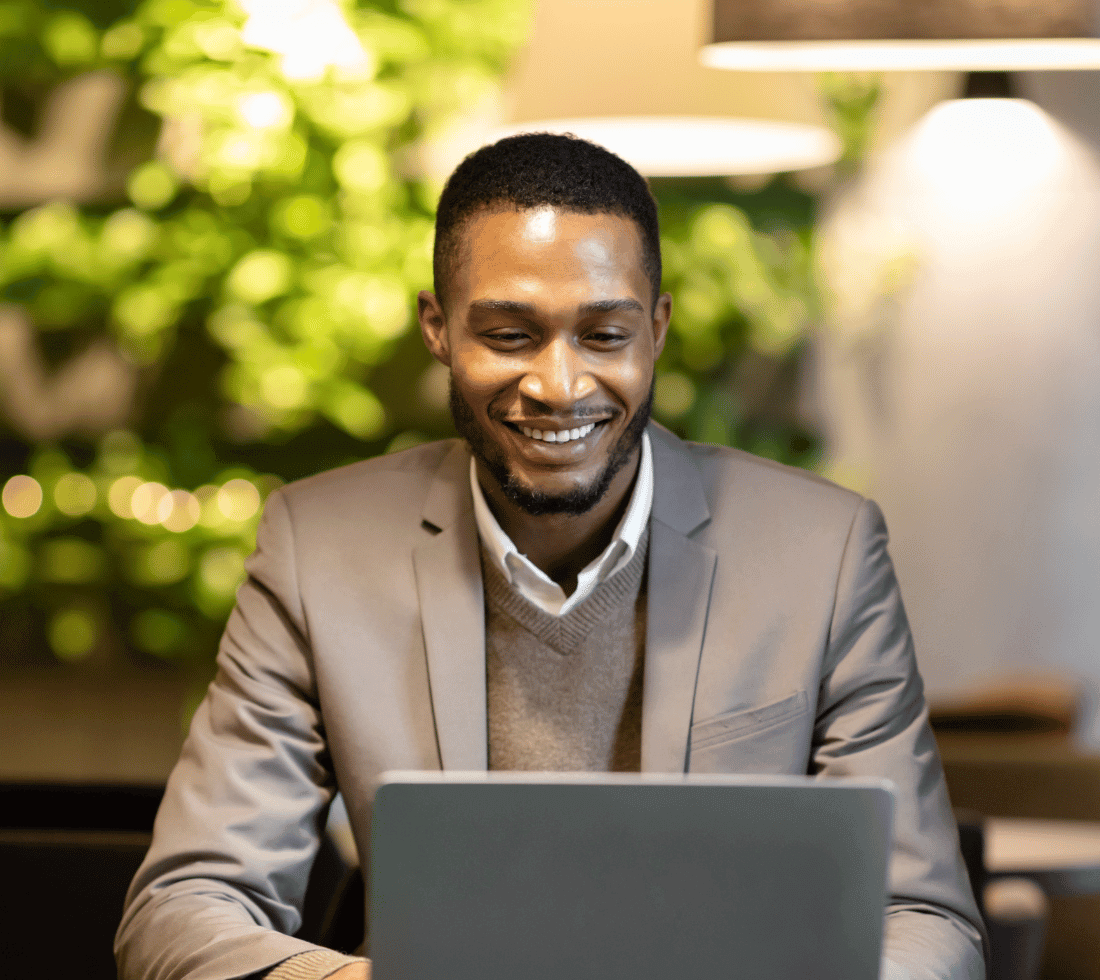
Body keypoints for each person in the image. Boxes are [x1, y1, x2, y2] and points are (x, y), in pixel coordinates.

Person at [116, 133, 985, 980]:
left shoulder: (822, 553)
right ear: (437, 327)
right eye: (509, 334)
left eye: (604, 336)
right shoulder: (319, 549)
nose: (558, 386)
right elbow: (183, 908)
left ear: (657, 328)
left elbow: (926, 921)